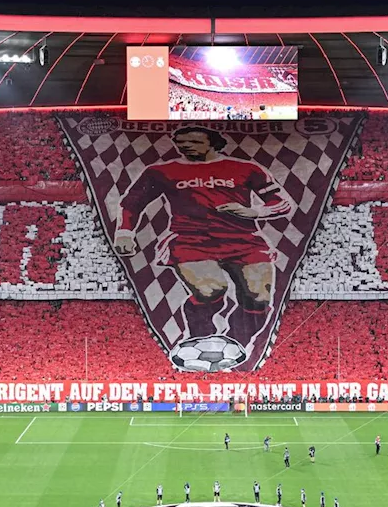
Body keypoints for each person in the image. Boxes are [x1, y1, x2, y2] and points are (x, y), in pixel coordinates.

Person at [112, 126, 294, 349]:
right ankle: (200, 339)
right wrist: (125, 232)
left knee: (259, 297)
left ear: (213, 143)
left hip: (244, 239)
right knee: (211, 289)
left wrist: (256, 211)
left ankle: (236, 345)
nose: (186, 146)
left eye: (194, 141)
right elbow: (131, 203)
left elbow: (282, 202)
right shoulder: (160, 171)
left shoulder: (246, 168)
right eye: (181, 142)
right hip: (191, 239)